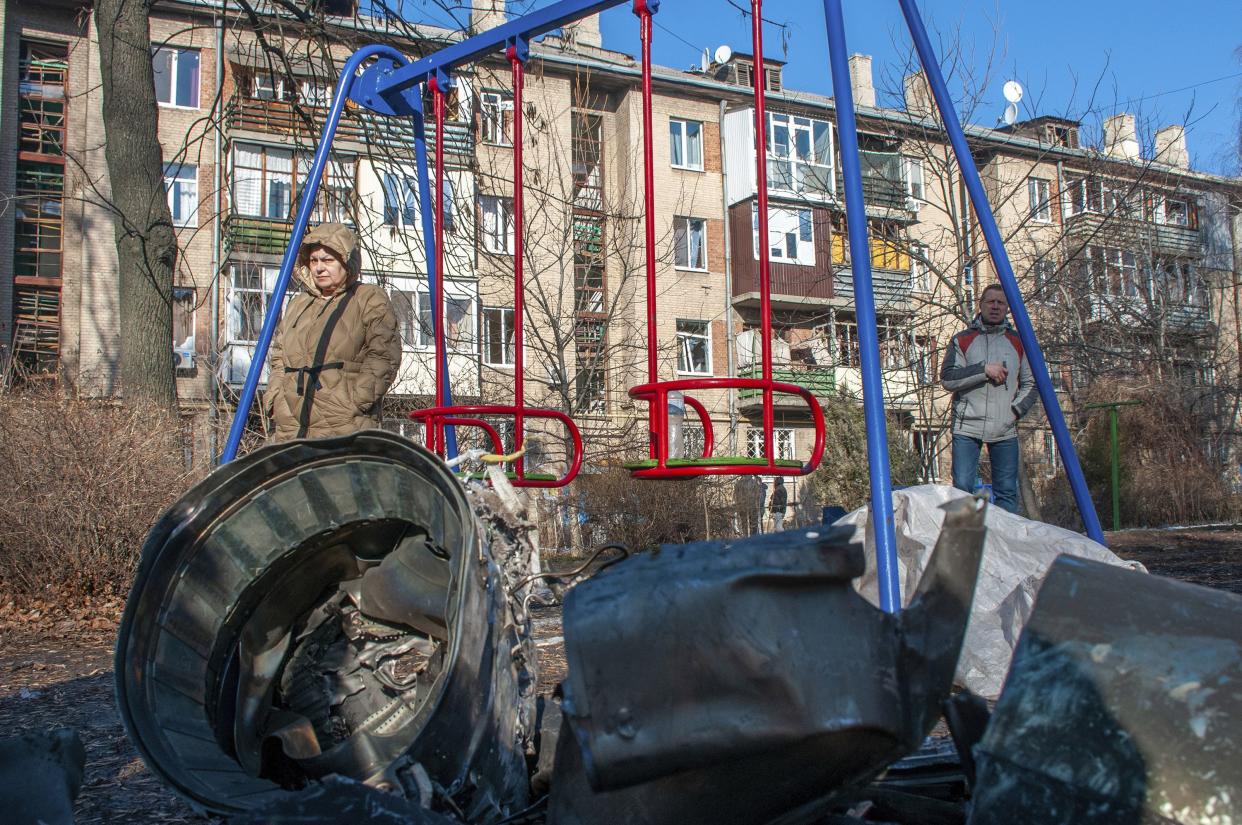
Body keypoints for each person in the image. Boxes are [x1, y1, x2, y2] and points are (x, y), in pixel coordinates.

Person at [265, 223, 401, 441]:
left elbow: (384, 356)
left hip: (344, 423)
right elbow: (280, 355)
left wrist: (354, 403)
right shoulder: (298, 304)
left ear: (347, 261)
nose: (319, 268)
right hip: (290, 421)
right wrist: (274, 398)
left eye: (328, 260)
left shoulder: (368, 298)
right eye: (313, 260)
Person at [940, 283, 1036, 514]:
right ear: (980, 305)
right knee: (963, 488)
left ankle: (1003, 544)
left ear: (1007, 308)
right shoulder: (962, 340)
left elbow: (1032, 384)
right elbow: (948, 378)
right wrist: (984, 370)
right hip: (967, 426)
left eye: (1000, 303)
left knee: (1006, 492)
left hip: (1005, 428)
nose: (995, 307)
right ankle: (964, 544)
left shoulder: (1019, 341)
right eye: (990, 302)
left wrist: (1014, 411)